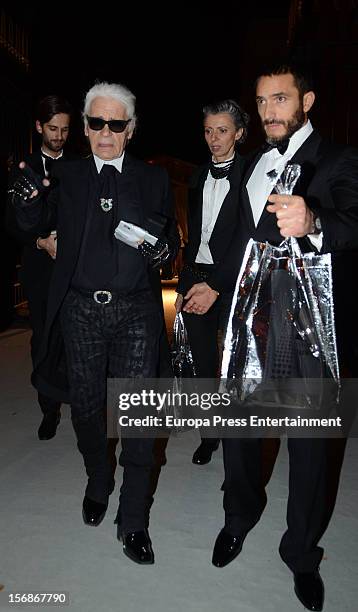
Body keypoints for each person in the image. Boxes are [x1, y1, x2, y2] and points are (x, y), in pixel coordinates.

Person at [183, 62, 358, 610]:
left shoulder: (337, 160)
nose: (268, 112)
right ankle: (239, 518)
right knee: (239, 434)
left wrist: (316, 224)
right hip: (248, 322)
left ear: (307, 101)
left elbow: (354, 223)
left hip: (306, 331)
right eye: (261, 102)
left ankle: (300, 552)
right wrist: (214, 285)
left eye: (279, 100)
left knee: (308, 450)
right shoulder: (253, 163)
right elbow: (241, 236)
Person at [9, 82, 179, 565]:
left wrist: (166, 250)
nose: (106, 132)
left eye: (116, 124)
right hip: (80, 309)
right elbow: (31, 222)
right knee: (86, 409)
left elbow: (166, 235)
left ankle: (134, 517)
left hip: (136, 312)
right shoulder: (66, 176)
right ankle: (99, 478)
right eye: (97, 123)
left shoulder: (153, 179)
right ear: (85, 128)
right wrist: (24, 203)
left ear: (130, 130)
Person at [175, 100, 249, 465]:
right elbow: (196, 236)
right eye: (208, 131)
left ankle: (238, 438)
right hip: (196, 276)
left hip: (233, 281)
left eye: (222, 130)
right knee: (203, 363)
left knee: (234, 362)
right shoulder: (197, 175)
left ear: (238, 132)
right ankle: (210, 435)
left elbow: (249, 237)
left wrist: (219, 282)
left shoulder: (251, 174)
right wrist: (185, 277)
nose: (214, 138)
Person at [7, 95, 73, 440]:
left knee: (76, 337)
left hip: (74, 269)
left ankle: (81, 403)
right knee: (44, 340)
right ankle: (49, 409)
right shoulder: (23, 168)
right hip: (39, 267)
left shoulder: (79, 166)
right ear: (38, 127)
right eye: (52, 129)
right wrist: (41, 242)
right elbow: (11, 223)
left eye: (64, 129)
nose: (59, 135)